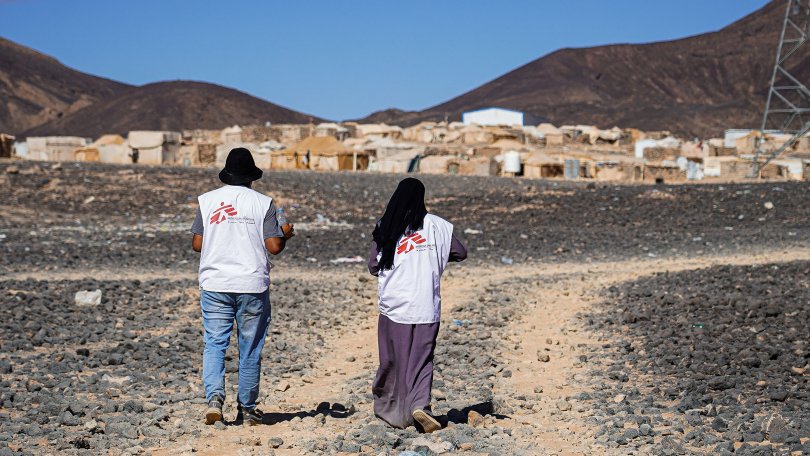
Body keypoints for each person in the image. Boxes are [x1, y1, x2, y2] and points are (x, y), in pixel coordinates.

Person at [190, 147, 295, 426]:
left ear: (226, 174)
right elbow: (273, 247)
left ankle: (214, 399)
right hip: (251, 284)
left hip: (215, 282)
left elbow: (197, 244)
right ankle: (247, 408)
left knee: (214, 343)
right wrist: (285, 235)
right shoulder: (263, 203)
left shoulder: (207, 201)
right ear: (252, 177)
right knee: (250, 347)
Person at [367, 178, 467, 433]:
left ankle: (393, 410)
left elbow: (373, 266)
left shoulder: (385, 226)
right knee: (422, 359)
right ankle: (420, 404)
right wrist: (432, 256)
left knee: (393, 360)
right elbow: (460, 252)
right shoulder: (438, 226)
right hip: (426, 306)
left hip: (394, 306)